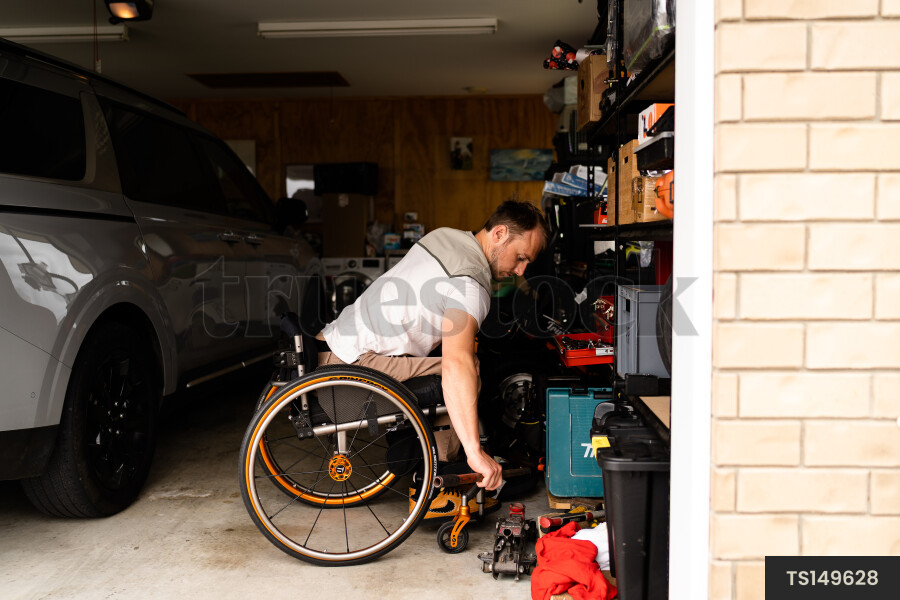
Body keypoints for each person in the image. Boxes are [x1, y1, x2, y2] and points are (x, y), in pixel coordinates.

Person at [316, 200, 550, 491]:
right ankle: (441, 471)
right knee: (466, 369)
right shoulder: (469, 283)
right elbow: (457, 365)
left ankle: (426, 449)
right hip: (345, 377)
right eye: (520, 257)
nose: (521, 271)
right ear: (500, 234)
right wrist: (476, 453)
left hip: (329, 348)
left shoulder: (444, 236)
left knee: (459, 363)